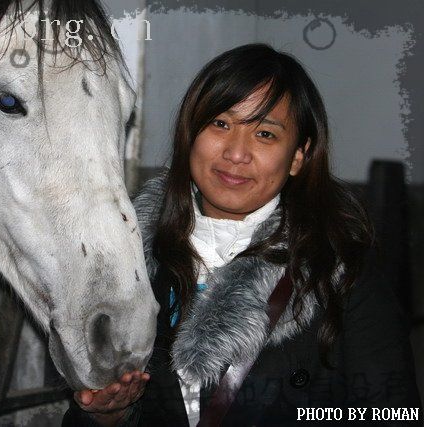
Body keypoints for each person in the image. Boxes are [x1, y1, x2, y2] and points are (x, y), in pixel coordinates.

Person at [63, 43, 422, 426]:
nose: (236, 153)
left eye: (265, 134)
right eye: (220, 124)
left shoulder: (339, 269)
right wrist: (110, 415)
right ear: (190, 133)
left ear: (298, 157)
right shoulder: (132, 264)